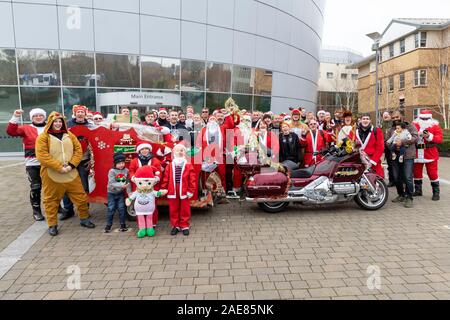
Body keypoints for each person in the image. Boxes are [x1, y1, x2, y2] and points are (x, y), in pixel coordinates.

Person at [35, 112, 95, 236]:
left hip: (70, 173)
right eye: (55, 121)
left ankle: (84, 218)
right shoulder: (43, 137)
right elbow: (42, 155)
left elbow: (78, 150)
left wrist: (72, 165)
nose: (58, 124)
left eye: (60, 121)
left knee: (80, 196)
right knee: (51, 200)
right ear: (50, 122)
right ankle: (52, 225)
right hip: (52, 174)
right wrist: (58, 167)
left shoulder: (69, 135)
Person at [7, 108, 47, 221]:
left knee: (53, 187)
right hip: (32, 164)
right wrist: (15, 116)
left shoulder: (50, 127)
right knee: (36, 187)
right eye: (35, 116)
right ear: (32, 118)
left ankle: (57, 207)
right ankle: (36, 211)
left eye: (40, 115)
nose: (38, 117)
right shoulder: (26, 128)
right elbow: (11, 131)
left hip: (49, 163)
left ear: (44, 117)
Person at [61, 105, 94, 220]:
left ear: (85, 113)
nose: (80, 114)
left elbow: (94, 144)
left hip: (84, 160)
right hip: (69, 160)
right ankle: (68, 210)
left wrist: (91, 160)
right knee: (66, 185)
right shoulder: (67, 125)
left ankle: (84, 210)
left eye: (82, 112)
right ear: (75, 113)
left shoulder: (91, 126)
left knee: (84, 186)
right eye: (78, 112)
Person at [160, 143, 196, 236]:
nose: (180, 152)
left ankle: (184, 226)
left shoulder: (188, 165)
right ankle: (175, 226)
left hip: (184, 190)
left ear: (184, 153)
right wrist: (163, 188)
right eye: (177, 150)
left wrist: (191, 190)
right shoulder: (170, 165)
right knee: (173, 209)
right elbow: (165, 178)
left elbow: (192, 179)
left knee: (185, 209)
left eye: (182, 150)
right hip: (172, 190)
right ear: (174, 152)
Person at [387, 111, 418, 208]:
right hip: (395, 157)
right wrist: (393, 146)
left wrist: (403, 142)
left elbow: (415, 138)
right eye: (393, 117)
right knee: (396, 178)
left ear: (402, 117)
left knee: (408, 177)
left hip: (408, 156)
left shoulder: (410, 127)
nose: (395, 119)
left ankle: (409, 197)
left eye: (397, 117)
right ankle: (401, 194)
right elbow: (387, 142)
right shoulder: (391, 129)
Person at [412, 109, 443, 201]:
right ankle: (418, 190)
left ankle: (436, 192)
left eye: (426, 119)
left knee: (432, 173)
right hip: (417, 153)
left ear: (430, 118)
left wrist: (429, 136)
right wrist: (416, 135)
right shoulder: (414, 125)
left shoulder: (435, 126)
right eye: (422, 119)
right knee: (416, 173)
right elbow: (409, 135)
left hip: (430, 153)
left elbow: (439, 139)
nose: (424, 121)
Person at [105, 153, 130, 233]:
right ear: (115, 163)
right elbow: (111, 183)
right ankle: (108, 225)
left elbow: (128, 183)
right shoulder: (112, 171)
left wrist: (129, 193)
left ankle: (123, 225)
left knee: (122, 209)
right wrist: (122, 185)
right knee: (111, 208)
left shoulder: (126, 170)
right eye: (119, 163)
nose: (121, 165)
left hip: (120, 194)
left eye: (123, 163)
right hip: (111, 193)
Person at [381, 111, 395, 187]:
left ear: (390, 116)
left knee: (396, 164)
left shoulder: (394, 123)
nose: (385, 116)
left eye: (387, 115)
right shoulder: (382, 125)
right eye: (384, 115)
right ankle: (391, 180)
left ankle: (400, 181)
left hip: (394, 147)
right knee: (390, 165)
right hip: (387, 148)